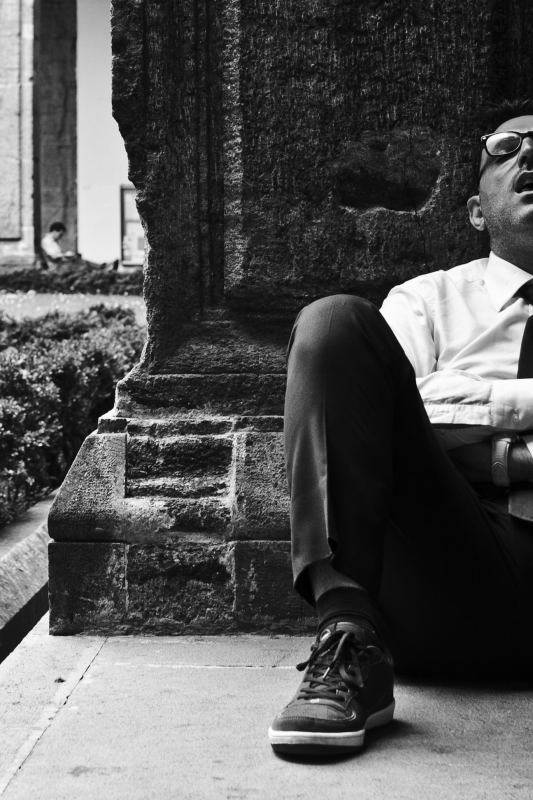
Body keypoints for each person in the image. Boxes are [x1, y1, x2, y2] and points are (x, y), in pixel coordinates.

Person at [268, 98, 533, 757]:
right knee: (333, 324)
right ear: (476, 212)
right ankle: (349, 637)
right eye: (506, 149)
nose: (530, 154)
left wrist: (485, 447)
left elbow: (419, 407)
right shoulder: (427, 301)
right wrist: (514, 458)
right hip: (455, 572)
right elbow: (379, 417)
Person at [40, 221, 119, 270]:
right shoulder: (47, 241)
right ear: (55, 231)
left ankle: (102, 266)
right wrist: (67, 255)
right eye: (60, 234)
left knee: (81, 261)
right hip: (57, 265)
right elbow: (55, 256)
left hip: (60, 263)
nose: (60, 237)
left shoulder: (51, 241)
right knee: (83, 264)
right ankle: (102, 267)